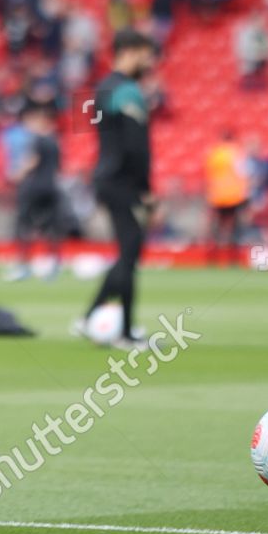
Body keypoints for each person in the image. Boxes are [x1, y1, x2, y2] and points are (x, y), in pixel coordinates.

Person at [76, 29, 157, 349]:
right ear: (130, 51)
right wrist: (146, 187)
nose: (150, 61)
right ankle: (124, 332)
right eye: (146, 53)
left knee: (128, 250)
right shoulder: (126, 90)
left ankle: (92, 316)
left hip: (108, 177)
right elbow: (136, 145)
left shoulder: (104, 87)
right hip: (121, 179)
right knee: (129, 250)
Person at [8, 104, 65, 282]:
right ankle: (54, 264)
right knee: (51, 228)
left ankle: (23, 265)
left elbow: (32, 160)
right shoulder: (55, 141)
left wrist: (17, 173)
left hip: (34, 187)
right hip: (51, 187)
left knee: (24, 225)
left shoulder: (38, 140)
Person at [204, 130, 249, 267]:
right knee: (234, 228)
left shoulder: (214, 153)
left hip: (217, 195)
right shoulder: (236, 152)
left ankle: (213, 258)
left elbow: (209, 174)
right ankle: (232, 259)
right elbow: (243, 172)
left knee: (217, 228)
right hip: (234, 196)